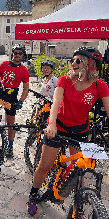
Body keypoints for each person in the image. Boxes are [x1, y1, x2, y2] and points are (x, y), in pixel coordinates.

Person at [27, 46, 109, 217]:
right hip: (59, 127)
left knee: (79, 168)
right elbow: (55, 104)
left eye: (78, 60)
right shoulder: (64, 80)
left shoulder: (99, 86)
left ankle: (77, 203)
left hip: (80, 129)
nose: (74, 63)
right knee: (44, 166)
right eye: (73, 60)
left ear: (90, 63)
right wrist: (51, 125)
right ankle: (33, 195)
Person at [0, 44, 29, 157]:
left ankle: (10, 146)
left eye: (20, 53)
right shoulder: (4, 64)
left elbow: (26, 88)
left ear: (23, 55)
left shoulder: (24, 70)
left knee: (10, 123)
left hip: (11, 96)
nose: (17, 55)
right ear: (12, 53)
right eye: (15, 52)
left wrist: (21, 101)